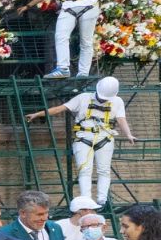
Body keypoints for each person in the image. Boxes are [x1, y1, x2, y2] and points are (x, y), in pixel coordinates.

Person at [24, 77, 136, 206]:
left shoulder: (117, 101)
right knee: (84, 170)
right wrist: (38, 114)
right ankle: (86, 199)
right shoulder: (83, 98)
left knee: (104, 170)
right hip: (84, 137)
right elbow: (59, 109)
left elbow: (121, 119)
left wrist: (128, 134)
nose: (103, 100)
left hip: (105, 137)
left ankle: (102, 200)